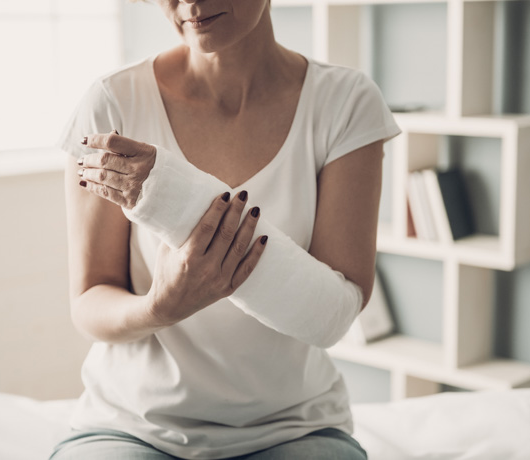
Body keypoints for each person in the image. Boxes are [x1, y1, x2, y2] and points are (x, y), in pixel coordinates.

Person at [50, 0, 400, 458]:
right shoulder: (113, 103)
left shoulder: (345, 102)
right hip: (132, 424)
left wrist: (173, 197)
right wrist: (159, 308)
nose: (190, 4)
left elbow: (334, 313)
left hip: (293, 428)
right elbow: (89, 301)